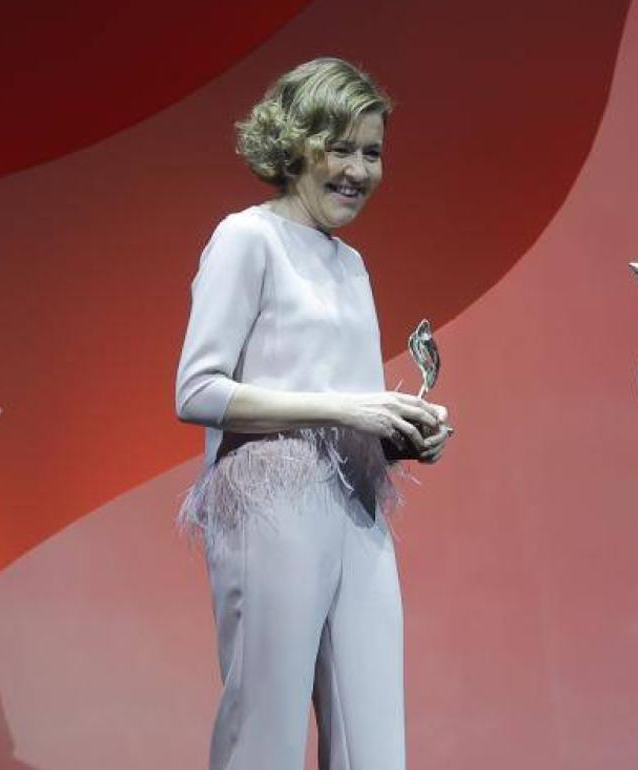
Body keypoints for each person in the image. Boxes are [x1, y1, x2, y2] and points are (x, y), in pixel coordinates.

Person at [175, 57, 451, 770]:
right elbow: (197, 391)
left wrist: (402, 432)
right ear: (292, 143)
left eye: (372, 152)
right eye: (339, 147)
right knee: (264, 730)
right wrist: (348, 405)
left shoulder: (350, 263)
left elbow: (350, 407)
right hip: (270, 500)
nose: (357, 169)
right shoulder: (247, 237)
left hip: (355, 506)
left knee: (374, 738)